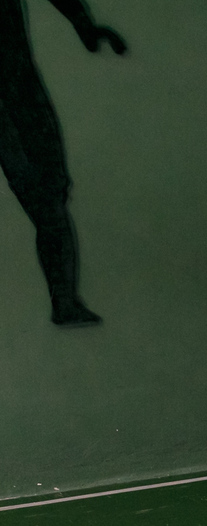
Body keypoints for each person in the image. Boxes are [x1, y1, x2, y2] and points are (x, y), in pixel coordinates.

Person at [2, 0, 126, 326]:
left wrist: (84, 24)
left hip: (17, 83)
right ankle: (65, 302)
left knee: (50, 191)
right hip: (15, 87)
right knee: (44, 195)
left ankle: (65, 302)